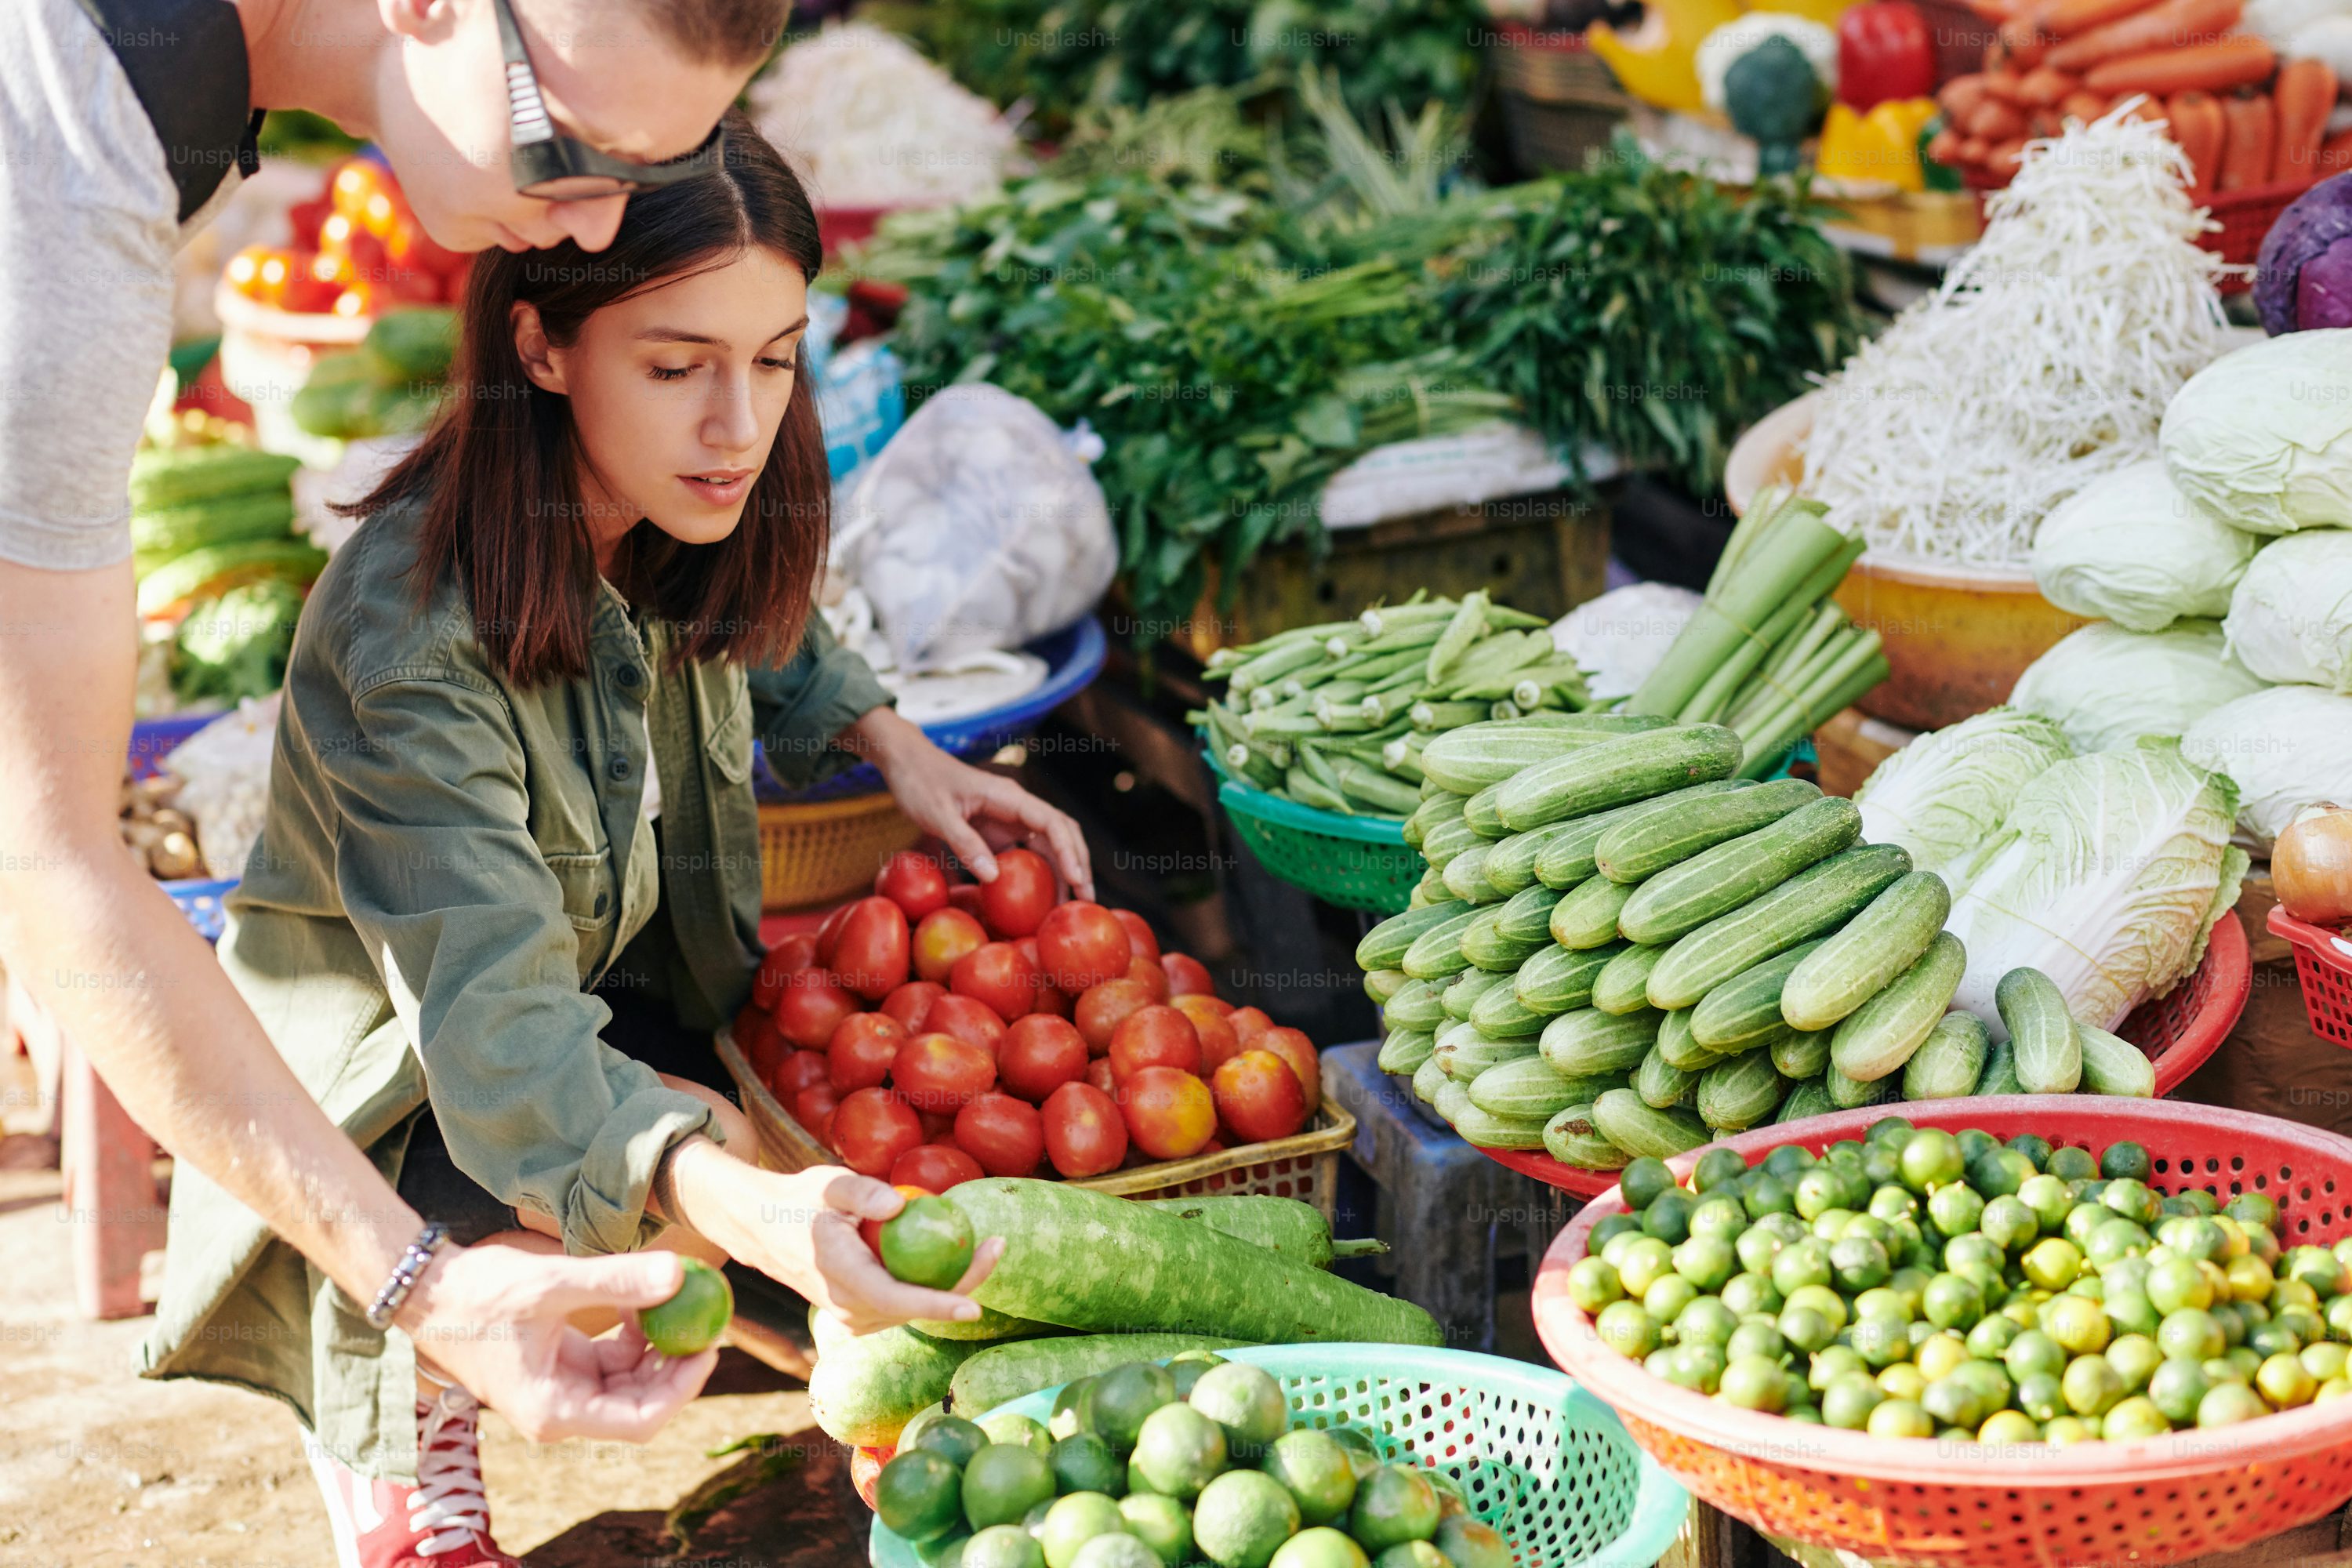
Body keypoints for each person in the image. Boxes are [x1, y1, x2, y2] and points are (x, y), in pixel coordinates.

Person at [0, 0, 1081, 1559]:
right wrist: (486, 1263)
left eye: (773, 363)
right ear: (545, 348)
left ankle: (578, 1262)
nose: (737, 418)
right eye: (679, 361)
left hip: (585, 977)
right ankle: (393, 1397)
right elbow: (490, 1035)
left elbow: (765, 632)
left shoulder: (675, 486)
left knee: (722, 1163)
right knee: (598, 1155)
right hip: (412, 1073)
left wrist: (890, 742)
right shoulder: (411, 630)